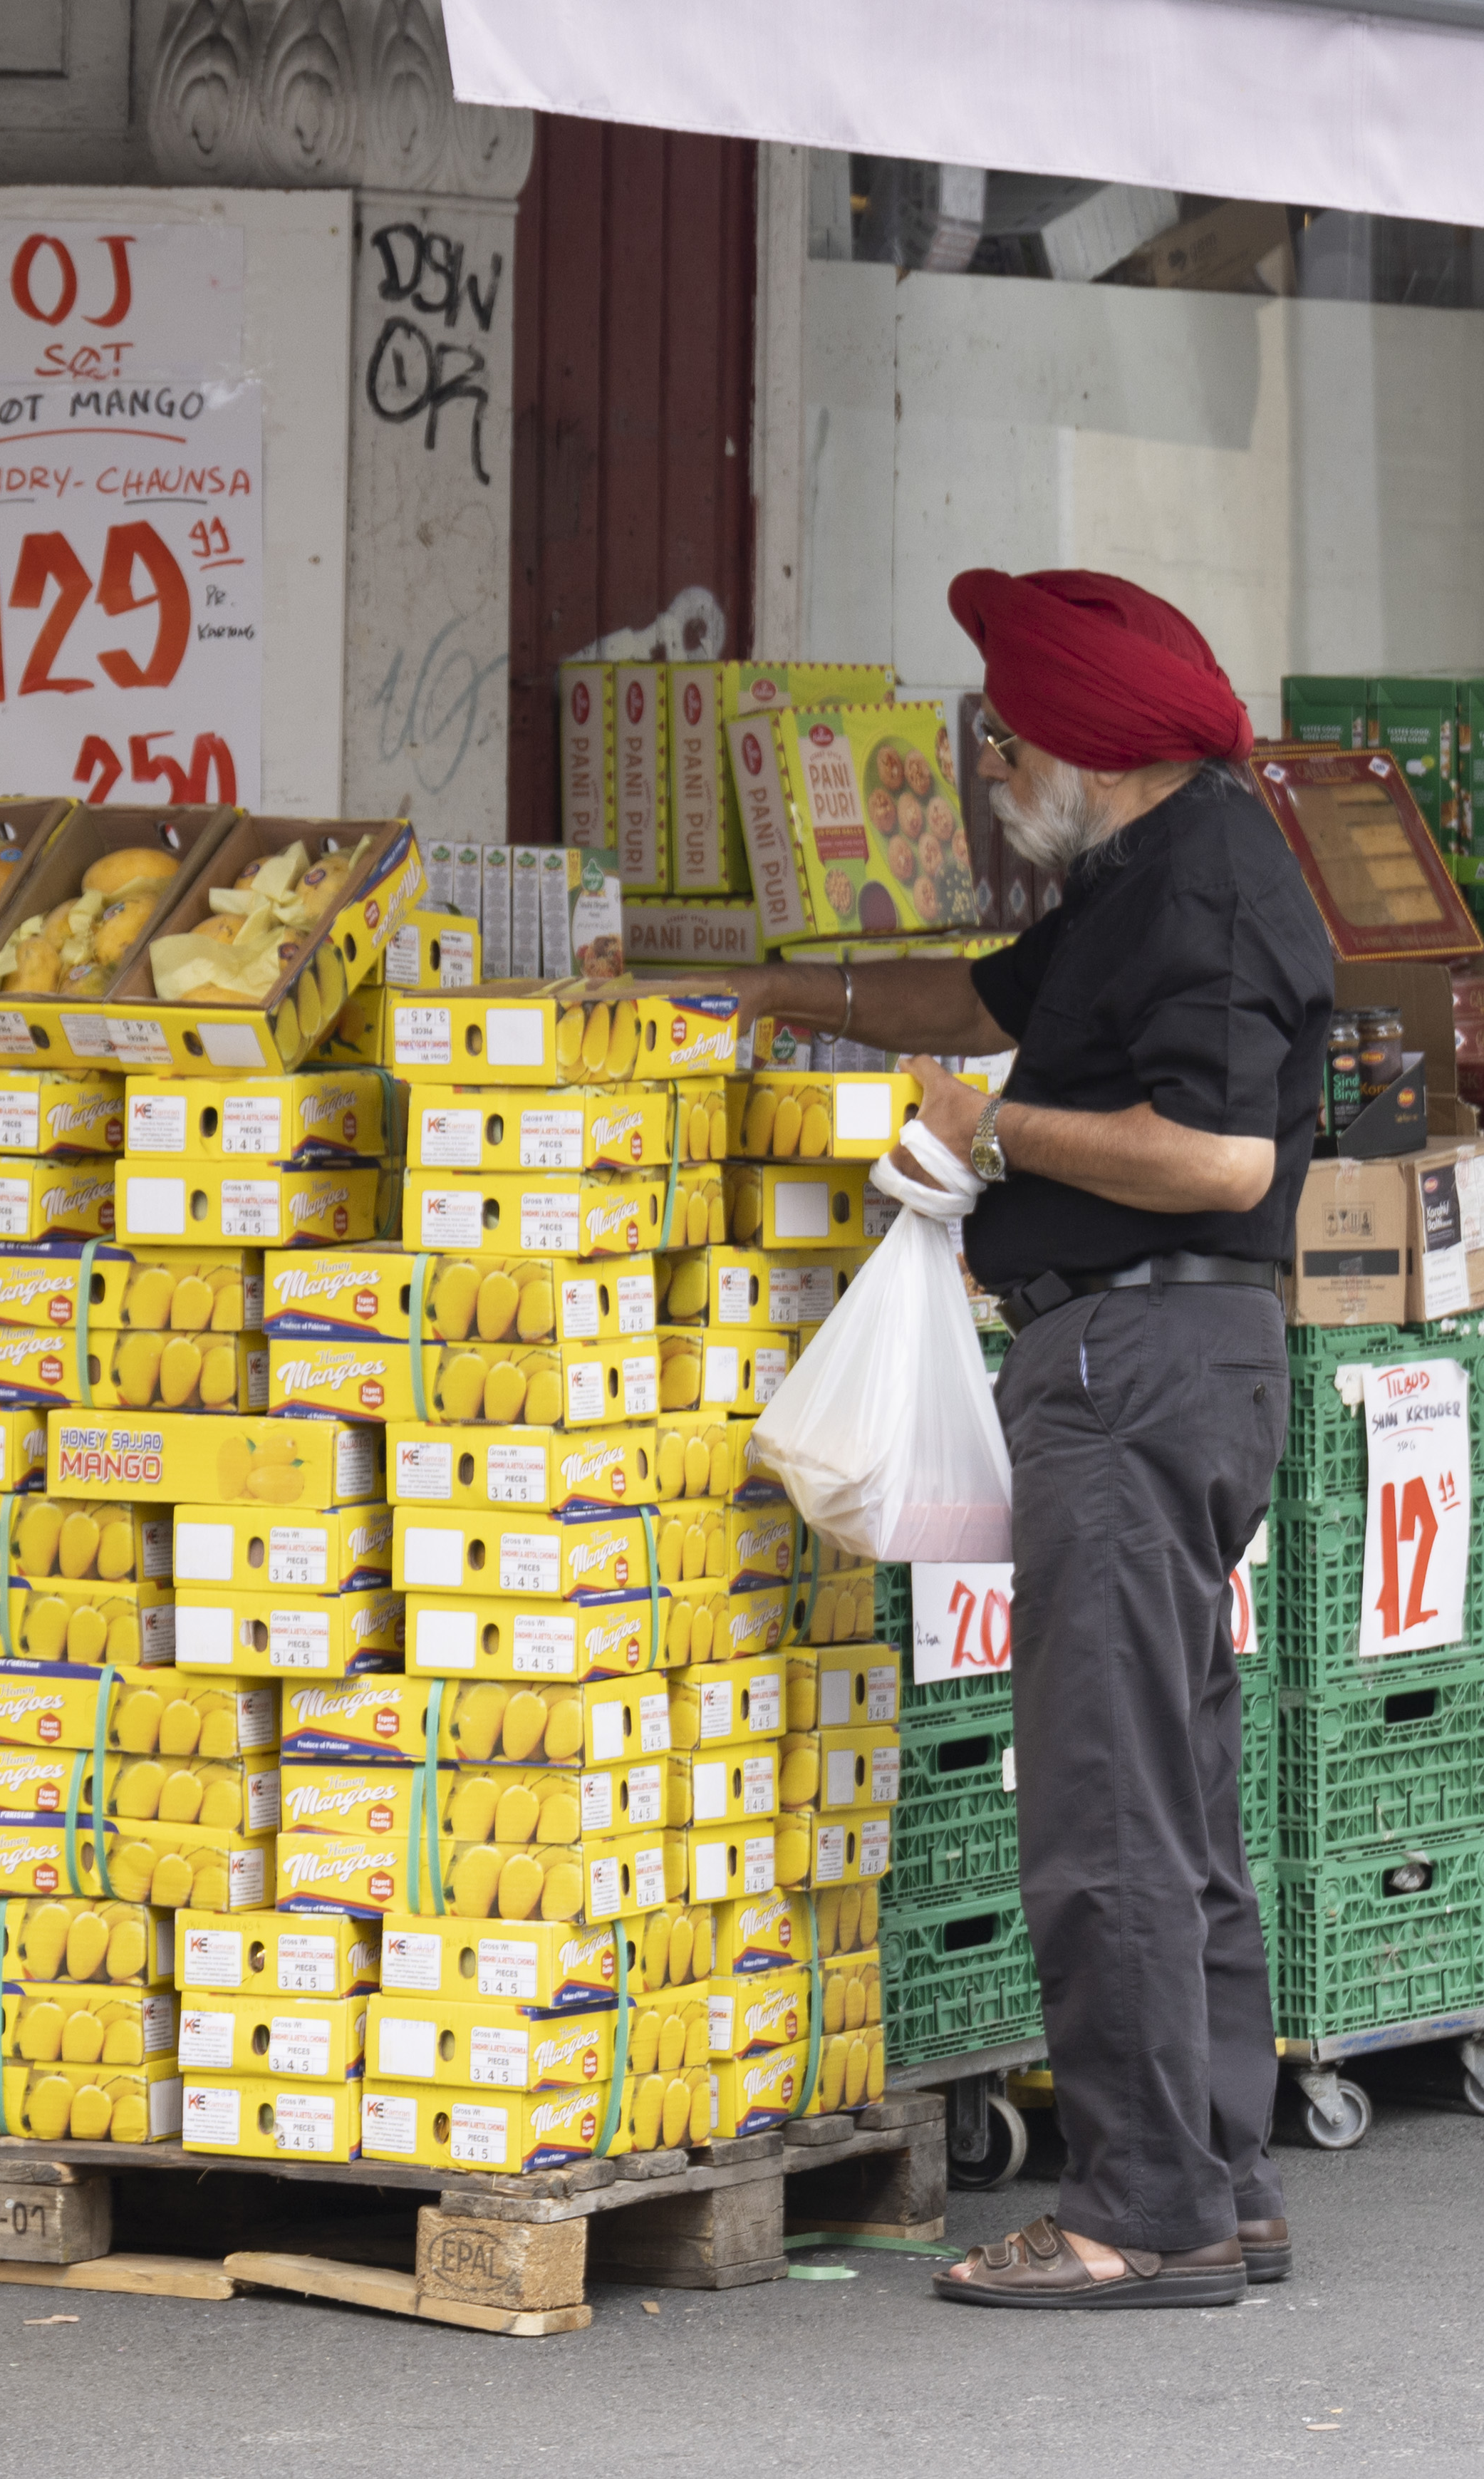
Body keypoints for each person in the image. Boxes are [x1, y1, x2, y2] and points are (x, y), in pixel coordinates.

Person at [721, 569, 1332, 2311]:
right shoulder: (1148, 873)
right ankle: (1218, 2179)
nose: (987, 767)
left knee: (1103, 1799)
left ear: (1080, 734)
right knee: (1176, 1786)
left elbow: (1216, 1161)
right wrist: (764, 990)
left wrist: (997, 1140)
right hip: (1169, 1361)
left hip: (1134, 1362)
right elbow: (982, 1002)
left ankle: (1138, 2214)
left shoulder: (1206, 876)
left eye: (998, 732)